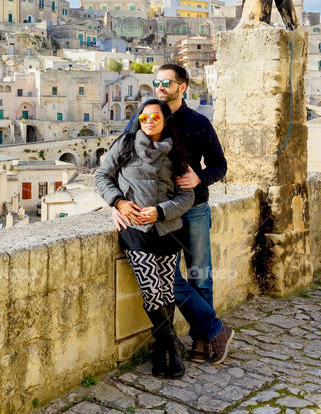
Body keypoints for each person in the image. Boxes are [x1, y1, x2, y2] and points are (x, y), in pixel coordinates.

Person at [123, 63, 232, 365]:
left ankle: (201, 339)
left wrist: (199, 178)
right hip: (161, 215)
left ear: (183, 87)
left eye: (167, 83)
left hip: (194, 208)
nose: (160, 87)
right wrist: (119, 204)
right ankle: (214, 327)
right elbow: (121, 159)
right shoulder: (143, 117)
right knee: (168, 279)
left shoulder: (199, 123)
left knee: (200, 276)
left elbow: (219, 166)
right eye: (157, 82)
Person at [96, 98, 194, 378]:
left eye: (155, 118)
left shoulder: (177, 153)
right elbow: (102, 176)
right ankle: (171, 345)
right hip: (135, 230)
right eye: (143, 118)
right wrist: (119, 203)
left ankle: (161, 352)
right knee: (152, 290)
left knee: (166, 291)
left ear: (165, 121)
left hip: (168, 229)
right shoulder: (125, 145)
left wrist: (161, 211)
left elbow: (187, 195)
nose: (148, 122)